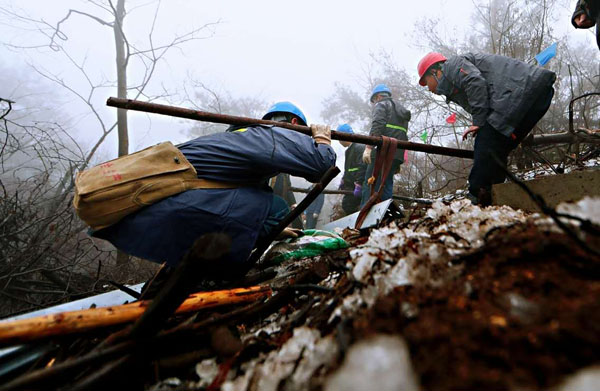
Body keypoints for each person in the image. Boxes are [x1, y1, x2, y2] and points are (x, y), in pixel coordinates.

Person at [92, 101, 335, 277]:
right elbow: (320, 166)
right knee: (278, 208)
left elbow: (240, 189)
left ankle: (180, 277)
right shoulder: (274, 134)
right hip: (190, 205)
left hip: (155, 209)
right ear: (294, 123)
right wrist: (322, 139)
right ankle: (218, 274)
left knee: (264, 202)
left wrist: (268, 229)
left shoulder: (238, 137)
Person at [417, 52, 556, 205]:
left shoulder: (452, 65)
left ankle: (477, 199)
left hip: (519, 90)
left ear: (435, 71)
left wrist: (478, 122)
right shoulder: (452, 80)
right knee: (500, 146)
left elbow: (475, 82)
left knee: (486, 142)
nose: (428, 88)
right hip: (538, 93)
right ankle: (495, 195)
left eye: (426, 82)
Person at [361, 84, 411, 206]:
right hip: (396, 153)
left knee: (370, 182)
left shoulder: (381, 104)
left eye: (374, 101)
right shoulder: (401, 109)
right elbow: (403, 134)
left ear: (378, 97)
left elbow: (377, 125)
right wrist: (399, 158)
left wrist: (368, 148)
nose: (374, 104)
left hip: (382, 152)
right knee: (386, 183)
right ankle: (385, 214)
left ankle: (365, 215)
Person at [336, 123, 367, 215]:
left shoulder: (359, 147)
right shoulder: (350, 149)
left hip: (357, 186)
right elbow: (349, 168)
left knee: (349, 205)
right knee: (347, 205)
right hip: (351, 186)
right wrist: (344, 179)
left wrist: (359, 184)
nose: (338, 141)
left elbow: (362, 166)